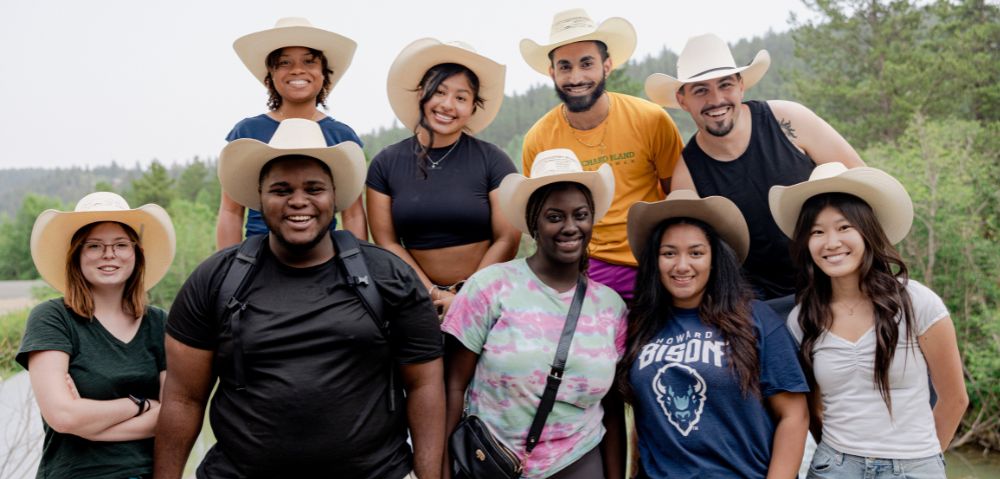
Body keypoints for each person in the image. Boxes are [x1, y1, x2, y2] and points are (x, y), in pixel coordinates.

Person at [153, 119, 444, 479]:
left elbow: (424, 384)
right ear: (259, 199)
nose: (298, 201)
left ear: (333, 197)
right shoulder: (216, 279)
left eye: (313, 188)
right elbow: (182, 397)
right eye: (281, 189)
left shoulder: (386, 275)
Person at [769, 162, 968, 479]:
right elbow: (815, 407)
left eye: (844, 227)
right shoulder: (803, 318)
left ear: (867, 232)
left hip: (915, 477)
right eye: (817, 232)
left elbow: (954, 398)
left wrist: (923, 461)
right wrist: (839, 458)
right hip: (832, 476)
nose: (830, 242)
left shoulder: (917, 302)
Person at [441, 149, 626, 479]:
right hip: (490, 469)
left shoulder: (610, 307)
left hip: (576, 469)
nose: (570, 226)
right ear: (534, 224)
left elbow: (613, 413)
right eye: (554, 216)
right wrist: (443, 478)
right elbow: (452, 387)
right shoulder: (489, 288)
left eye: (580, 215)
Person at [645, 33, 865, 315]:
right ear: (683, 99)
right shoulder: (687, 175)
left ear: (741, 86)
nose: (716, 100)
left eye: (725, 85)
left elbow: (860, 181)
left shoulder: (789, 120)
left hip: (836, 282)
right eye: (700, 90)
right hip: (761, 308)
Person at [619, 189, 809, 479]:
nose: (682, 265)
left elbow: (794, 416)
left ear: (714, 258)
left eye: (696, 252)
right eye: (669, 253)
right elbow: (643, 410)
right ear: (656, 261)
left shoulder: (755, 318)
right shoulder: (641, 323)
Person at [17, 191, 176, 479]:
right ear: (77, 255)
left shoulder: (159, 323)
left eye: (120, 244)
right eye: (94, 246)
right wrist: (139, 404)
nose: (109, 254)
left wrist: (87, 424)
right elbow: (63, 416)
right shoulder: (52, 318)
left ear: (136, 254)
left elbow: (171, 418)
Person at [520, 9, 684, 300]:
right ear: (552, 73)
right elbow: (540, 220)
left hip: (650, 264)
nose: (576, 77)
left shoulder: (650, 119)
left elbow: (679, 197)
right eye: (565, 67)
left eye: (587, 64)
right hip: (580, 271)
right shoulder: (539, 139)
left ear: (607, 66)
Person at [367, 38, 520, 317]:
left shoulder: (494, 160)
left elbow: (507, 239)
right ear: (421, 94)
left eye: (461, 98)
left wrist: (465, 296)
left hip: (487, 299)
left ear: (473, 107)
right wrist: (433, 295)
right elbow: (386, 242)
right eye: (439, 92)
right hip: (414, 299)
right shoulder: (384, 164)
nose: (448, 105)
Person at [217, 17, 367, 250]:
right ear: (270, 76)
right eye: (284, 63)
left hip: (324, 257)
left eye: (309, 62)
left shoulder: (341, 135)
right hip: (258, 256)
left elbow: (354, 214)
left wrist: (358, 267)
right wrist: (227, 268)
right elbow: (230, 211)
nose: (297, 70)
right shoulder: (247, 132)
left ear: (324, 73)